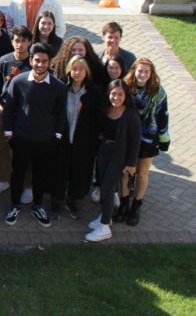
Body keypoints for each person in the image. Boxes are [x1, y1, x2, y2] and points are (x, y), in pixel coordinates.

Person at [2, 43, 67, 228]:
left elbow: (60, 114)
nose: (40, 64)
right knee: (18, 173)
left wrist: (57, 136)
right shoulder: (18, 81)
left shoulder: (58, 87)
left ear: (50, 62)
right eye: (37, 60)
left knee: (40, 175)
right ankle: (14, 205)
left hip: (45, 140)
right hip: (21, 139)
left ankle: (37, 205)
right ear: (30, 60)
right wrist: (9, 133)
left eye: (44, 61)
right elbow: (9, 108)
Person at [86, 80, 140, 242]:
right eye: (113, 93)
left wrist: (131, 164)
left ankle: (104, 228)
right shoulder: (106, 109)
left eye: (120, 94)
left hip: (119, 156)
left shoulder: (131, 114)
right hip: (104, 152)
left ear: (126, 96)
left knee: (108, 189)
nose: (116, 97)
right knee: (103, 185)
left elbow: (135, 140)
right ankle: (105, 215)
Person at [118, 58, 170, 227]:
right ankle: (124, 203)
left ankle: (136, 205)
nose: (143, 74)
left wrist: (163, 138)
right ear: (134, 71)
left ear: (151, 74)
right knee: (125, 171)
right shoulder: (125, 87)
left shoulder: (158, 92)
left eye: (147, 71)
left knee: (142, 172)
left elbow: (163, 115)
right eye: (140, 71)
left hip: (148, 137)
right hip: (127, 136)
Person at [53, 55, 103, 220]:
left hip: (83, 142)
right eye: (74, 69)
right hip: (63, 141)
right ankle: (57, 201)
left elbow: (97, 119)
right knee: (59, 171)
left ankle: (73, 201)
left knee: (79, 172)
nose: (77, 72)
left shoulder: (93, 92)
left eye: (81, 69)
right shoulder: (61, 89)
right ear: (69, 70)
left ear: (86, 71)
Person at [0, 25, 33, 199]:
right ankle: (3, 179)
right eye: (16, 40)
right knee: (3, 148)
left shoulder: (32, 64)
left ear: (29, 42)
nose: (19, 44)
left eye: (23, 41)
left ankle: (28, 184)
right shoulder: (4, 60)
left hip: (25, 115)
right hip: (4, 112)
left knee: (25, 150)